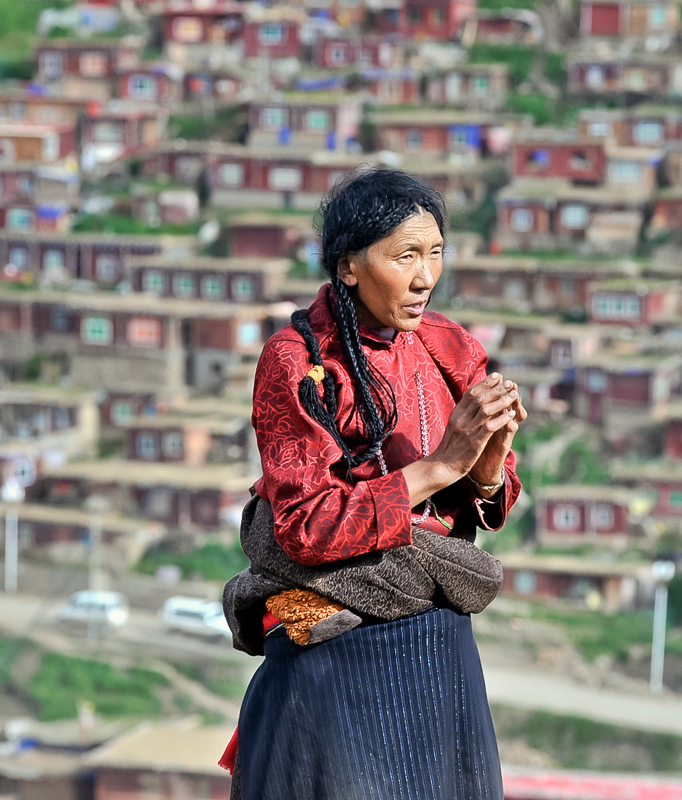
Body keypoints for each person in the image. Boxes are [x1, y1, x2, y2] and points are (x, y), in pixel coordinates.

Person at [230, 168, 526, 800]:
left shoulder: (449, 346)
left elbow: (478, 501)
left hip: (436, 636)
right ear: (348, 267)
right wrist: (441, 465)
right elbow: (306, 527)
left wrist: (488, 464)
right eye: (405, 256)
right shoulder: (300, 360)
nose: (425, 276)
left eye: (436, 253)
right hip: (336, 654)